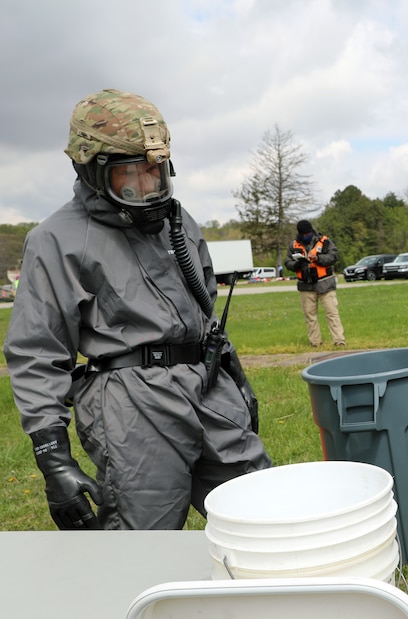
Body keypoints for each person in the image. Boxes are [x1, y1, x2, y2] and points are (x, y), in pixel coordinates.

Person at [3, 89, 271, 530]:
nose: (147, 188)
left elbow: (203, 312)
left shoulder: (178, 223)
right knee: (143, 543)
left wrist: (235, 385)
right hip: (133, 407)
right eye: (130, 174)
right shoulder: (57, 240)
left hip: (208, 387)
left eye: (155, 172)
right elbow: (37, 351)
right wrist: (53, 457)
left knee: (265, 517)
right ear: (90, 169)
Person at [284, 219, 346, 347]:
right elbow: (287, 262)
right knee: (310, 316)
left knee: (332, 313)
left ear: (311, 231)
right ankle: (315, 342)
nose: (305, 236)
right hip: (306, 285)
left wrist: (318, 259)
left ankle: (339, 341)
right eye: (303, 234)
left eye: (307, 234)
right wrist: (297, 264)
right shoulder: (293, 245)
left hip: (325, 284)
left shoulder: (325, 241)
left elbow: (333, 256)